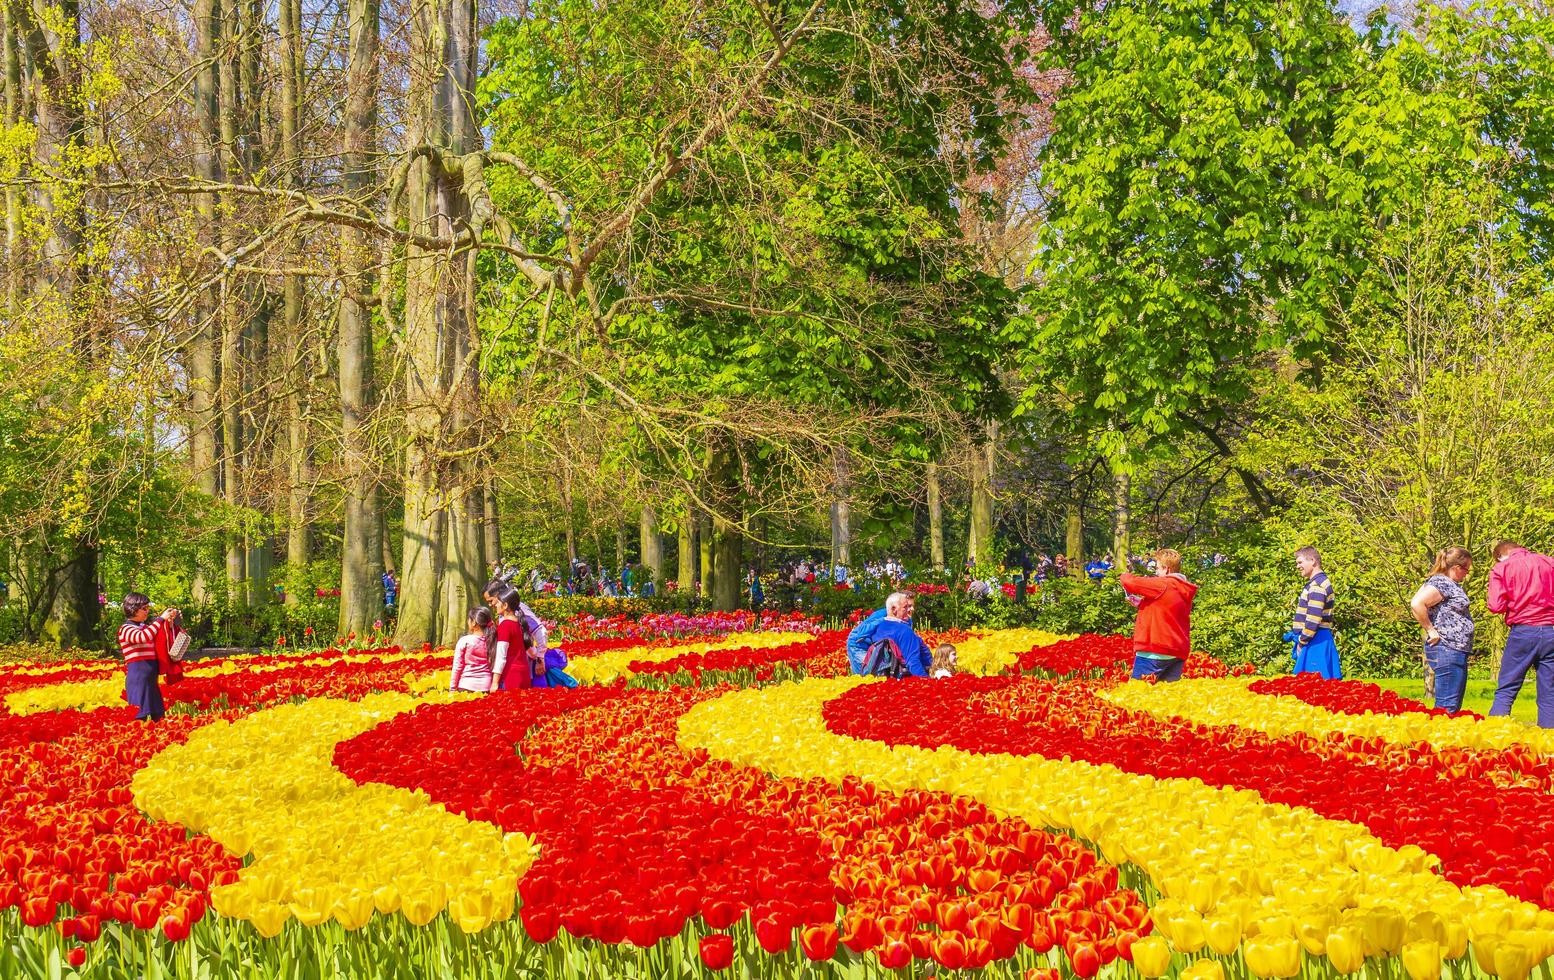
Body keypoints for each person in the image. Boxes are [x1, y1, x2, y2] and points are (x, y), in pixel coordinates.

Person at [1486, 539, 1554, 727]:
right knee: (1549, 691)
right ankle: (1549, 741)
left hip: (1523, 631)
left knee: (1507, 686)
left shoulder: (1502, 569)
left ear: (1500, 555)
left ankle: (1496, 735)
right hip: (1550, 630)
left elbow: (1495, 606)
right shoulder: (1549, 562)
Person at [1409, 547, 1475, 713]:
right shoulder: (1441, 582)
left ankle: (1446, 735)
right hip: (1447, 648)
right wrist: (1430, 630)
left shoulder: (1446, 583)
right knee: (1447, 706)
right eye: (1466, 569)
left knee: (1452, 705)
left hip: (1455, 649)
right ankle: (1439, 737)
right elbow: (1417, 604)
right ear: (1456, 568)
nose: (1467, 573)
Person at [1118, 548, 1198, 682]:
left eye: (1157, 568)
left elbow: (1129, 582)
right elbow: (1167, 610)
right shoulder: (1182, 588)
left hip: (1155, 651)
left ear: (1166, 569)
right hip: (1176, 651)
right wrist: (1141, 604)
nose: (1156, 572)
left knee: (1138, 695)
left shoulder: (1163, 584)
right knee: (1166, 698)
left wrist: (1123, 573)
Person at [116, 593, 183, 722]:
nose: (147, 611)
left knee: (158, 714)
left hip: (151, 679)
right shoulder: (125, 629)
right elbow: (143, 637)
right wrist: (160, 619)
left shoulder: (144, 627)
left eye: (148, 608)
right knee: (139, 716)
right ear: (133, 608)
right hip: (138, 679)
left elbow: (161, 638)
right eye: (144, 608)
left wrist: (169, 622)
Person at [1285, 546, 1340, 679]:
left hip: (1316, 642)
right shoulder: (1319, 583)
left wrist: (1302, 641)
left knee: (1314, 688)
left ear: (1313, 561)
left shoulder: (1317, 586)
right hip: (1317, 639)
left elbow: (1313, 619)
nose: (1298, 566)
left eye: (1300, 562)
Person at [860, 592, 933, 677]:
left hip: (886, 678)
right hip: (909, 679)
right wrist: (927, 682)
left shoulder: (879, 628)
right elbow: (913, 663)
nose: (909, 610)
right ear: (894, 609)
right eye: (905, 607)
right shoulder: (904, 631)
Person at [488, 586, 531, 692]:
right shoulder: (520, 623)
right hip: (524, 672)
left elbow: (501, 656)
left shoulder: (505, 625)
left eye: (498, 602)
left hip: (510, 675)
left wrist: (494, 682)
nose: (495, 605)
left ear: (505, 605)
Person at [451, 607, 496, 693]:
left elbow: (457, 666)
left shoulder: (465, 641)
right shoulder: (492, 640)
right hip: (486, 686)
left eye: (469, 619)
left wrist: (452, 688)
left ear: (474, 622)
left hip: (466, 686)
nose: (468, 622)